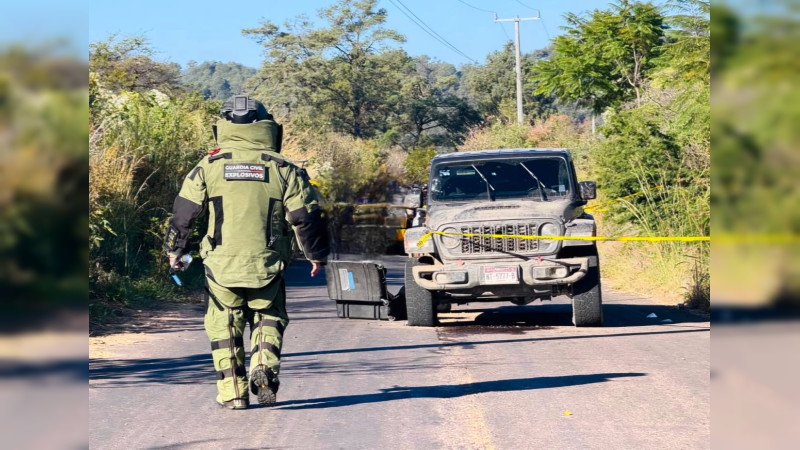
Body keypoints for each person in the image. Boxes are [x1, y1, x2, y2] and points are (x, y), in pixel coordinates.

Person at [163, 95, 330, 410]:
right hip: (267, 263)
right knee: (269, 316)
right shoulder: (284, 169)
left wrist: (175, 251)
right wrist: (316, 255)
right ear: (266, 126)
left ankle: (233, 393)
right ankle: (263, 366)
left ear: (223, 126)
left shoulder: (208, 166)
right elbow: (305, 217)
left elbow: (183, 215)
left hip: (220, 267)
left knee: (223, 324)